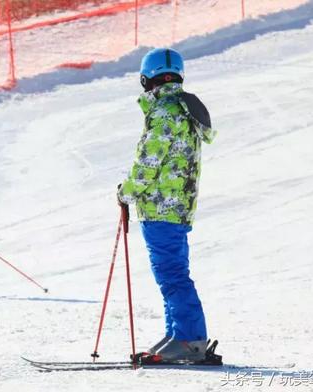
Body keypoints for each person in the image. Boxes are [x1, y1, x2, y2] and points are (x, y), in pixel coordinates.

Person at [117, 48, 216, 362]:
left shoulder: (164, 112)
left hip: (162, 206)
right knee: (172, 272)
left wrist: (126, 192)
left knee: (172, 274)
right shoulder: (182, 108)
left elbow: (149, 162)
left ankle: (191, 339)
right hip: (176, 206)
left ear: (146, 79)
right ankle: (177, 333)